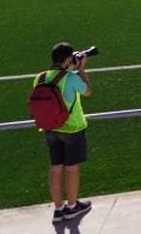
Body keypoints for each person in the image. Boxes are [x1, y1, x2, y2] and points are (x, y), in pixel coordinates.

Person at [34, 43, 93, 222]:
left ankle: (58, 208)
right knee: (72, 168)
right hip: (72, 128)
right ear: (68, 59)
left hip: (50, 128)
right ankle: (73, 206)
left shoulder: (40, 77)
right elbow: (88, 91)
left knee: (55, 167)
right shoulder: (71, 78)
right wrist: (81, 69)